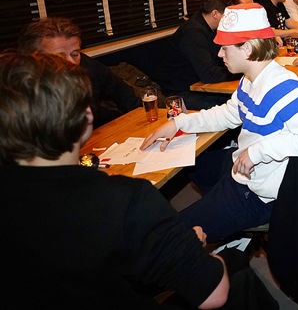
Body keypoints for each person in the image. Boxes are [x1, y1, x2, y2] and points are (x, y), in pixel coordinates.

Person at [0, 52, 229, 308]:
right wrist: (192, 247)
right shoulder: (125, 199)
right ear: (87, 117)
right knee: (237, 268)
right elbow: (214, 295)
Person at [141, 3, 298, 242]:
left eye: (224, 48)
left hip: (258, 193)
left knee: (173, 236)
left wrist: (256, 152)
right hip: (244, 168)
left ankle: (226, 218)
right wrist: (178, 123)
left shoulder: (282, 88)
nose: (219, 54)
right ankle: (222, 215)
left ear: (248, 49)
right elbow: (227, 114)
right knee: (193, 165)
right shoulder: (250, 80)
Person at [17, 17, 140, 127]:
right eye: (59, 57)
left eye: (75, 54)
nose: (71, 62)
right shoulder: (20, 94)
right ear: (33, 59)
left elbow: (126, 96)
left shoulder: (88, 67)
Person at [155, 0, 238, 110]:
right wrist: (239, 71)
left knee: (238, 98)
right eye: (227, 16)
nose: (230, 20)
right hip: (180, 94)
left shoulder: (208, 27)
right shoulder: (193, 33)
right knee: (231, 105)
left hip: (198, 86)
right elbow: (209, 74)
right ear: (215, 14)